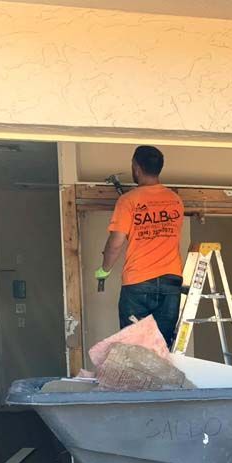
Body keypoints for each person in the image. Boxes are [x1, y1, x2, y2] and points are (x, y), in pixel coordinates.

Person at [95, 145, 185, 345]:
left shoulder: (128, 201)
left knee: (134, 348)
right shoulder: (175, 200)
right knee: (161, 348)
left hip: (138, 283)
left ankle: (136, 378)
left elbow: (115, 243)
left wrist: (105, 269)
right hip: (171, 282)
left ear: (136, 167)